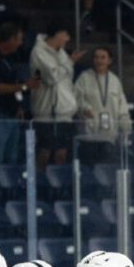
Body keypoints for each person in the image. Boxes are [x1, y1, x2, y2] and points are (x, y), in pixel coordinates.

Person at [0, 22, 34, 166]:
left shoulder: (10, 58)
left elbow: (13, 84)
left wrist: (19, 106)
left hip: (12, 114)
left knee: (12, 157)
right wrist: (25, 86)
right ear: (10, 39)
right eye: (19, 39)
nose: (21, 43)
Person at [29, 25, 83, 168]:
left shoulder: (62, 54)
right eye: (66, 35)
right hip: (46, 114)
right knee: (43, 154)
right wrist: (70, 62)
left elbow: (66, 81)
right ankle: (38, 187)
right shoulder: (38, 52)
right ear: (58, 33)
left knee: (61, 154)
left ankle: (59, 189)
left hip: (64, 114)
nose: (68, 39)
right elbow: (51, 78)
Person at [75, 47, 132, 163]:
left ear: (109, 61)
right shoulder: (84, 78)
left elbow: (122, 107)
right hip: (89, 135)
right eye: (96, 57)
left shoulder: (114, 80)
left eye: (103, 57)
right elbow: (75, 98)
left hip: (109, 137)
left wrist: (126, 129)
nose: (99, 60)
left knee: (106, 168)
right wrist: (85, 108)